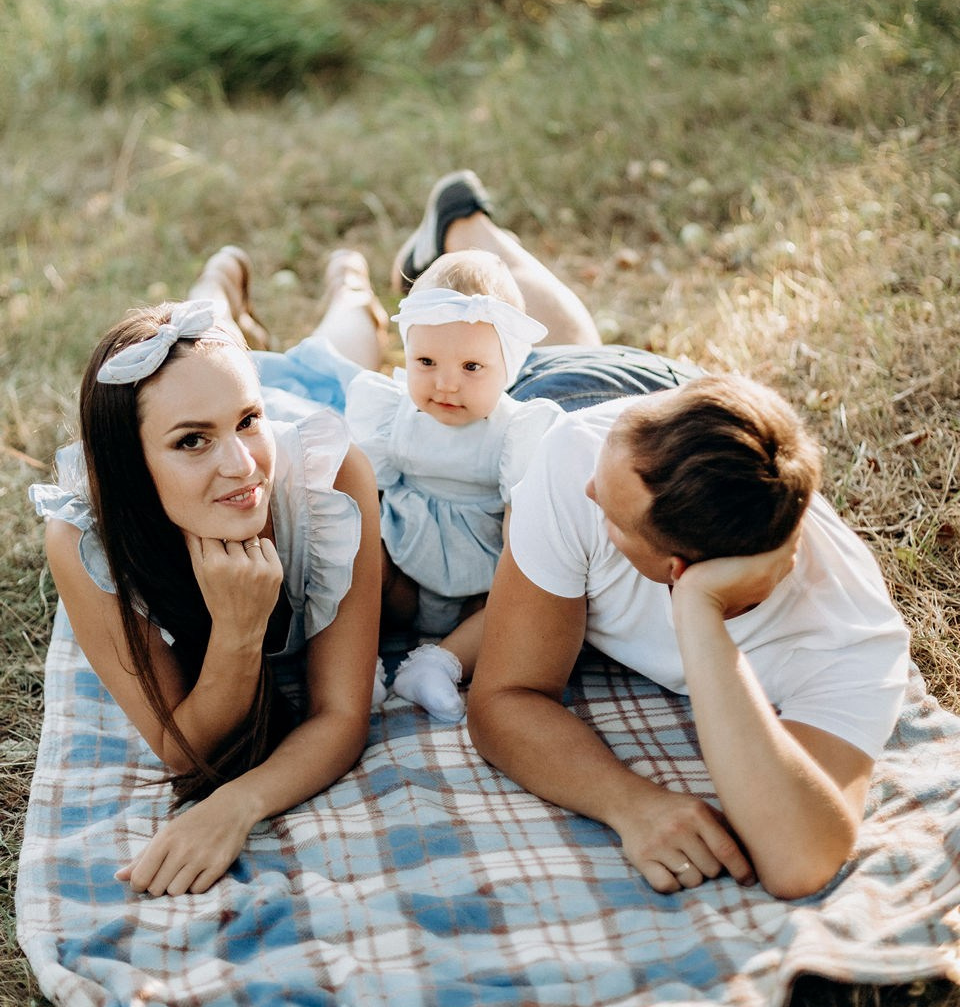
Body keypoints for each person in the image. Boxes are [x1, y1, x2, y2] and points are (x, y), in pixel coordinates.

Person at [394, 171, 912, 902]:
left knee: (564, 347)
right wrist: (629, 803)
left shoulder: (848, 638)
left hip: (664, 448)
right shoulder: (578, 456)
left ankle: (471, 232)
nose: (588, 498)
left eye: (609, 514)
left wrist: (699, 616)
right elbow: (504, 699)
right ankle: (466, 234)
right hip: (601, 402)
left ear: (674, 566)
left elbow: (801, 856)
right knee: (507, 356)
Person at [29, 248, 388, 898]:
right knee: (190, 355)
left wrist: (238, 804)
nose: (242, 467)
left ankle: (347, 277)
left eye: (248, 423)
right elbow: (181, 747)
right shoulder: (84, 536)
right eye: (191, 441)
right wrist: (237, 630)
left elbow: (341, 714)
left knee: (339, 344)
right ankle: (219, 279)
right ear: (133, 466)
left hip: (301, 397)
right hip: (205, 392)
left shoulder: (329, 477)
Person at [344, 248, 565, 723]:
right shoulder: (391, 415)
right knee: (355, 554)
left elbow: (520, 535)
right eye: (426, 361)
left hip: (477, 586)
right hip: (404, 569)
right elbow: (364, 500)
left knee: (526, 599)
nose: (445, 384)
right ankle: (356, 662)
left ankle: (440, 664)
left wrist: (515, 585)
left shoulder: (516, 432)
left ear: (508, 368)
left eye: (471, 367)